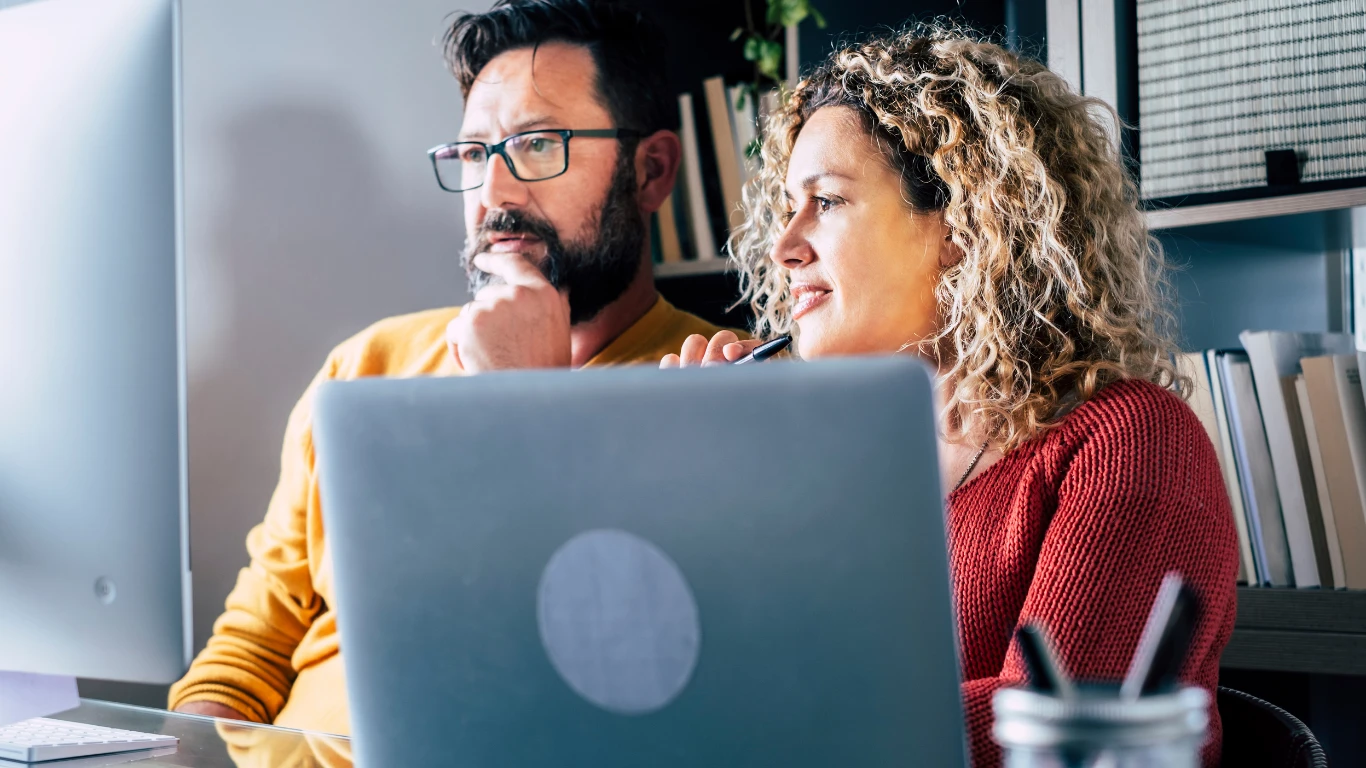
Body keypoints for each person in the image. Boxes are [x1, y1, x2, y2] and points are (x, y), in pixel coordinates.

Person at [664, 26, 1238, 768]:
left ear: (962, 228)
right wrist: (693, 486)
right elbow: (716, 678)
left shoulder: (1129, 441)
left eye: (828, 203)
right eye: (788, 206)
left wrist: (773, 727)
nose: (784, 246)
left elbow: (1054, 736)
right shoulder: (834, 464)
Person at [169, 0, 733, 733]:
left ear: (650, 171)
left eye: (538, 145)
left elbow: (605, 697)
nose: (494, 195)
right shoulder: (365, 365)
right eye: (473, 154)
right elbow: (247, 652)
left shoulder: (715, 393)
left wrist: (522, 404)